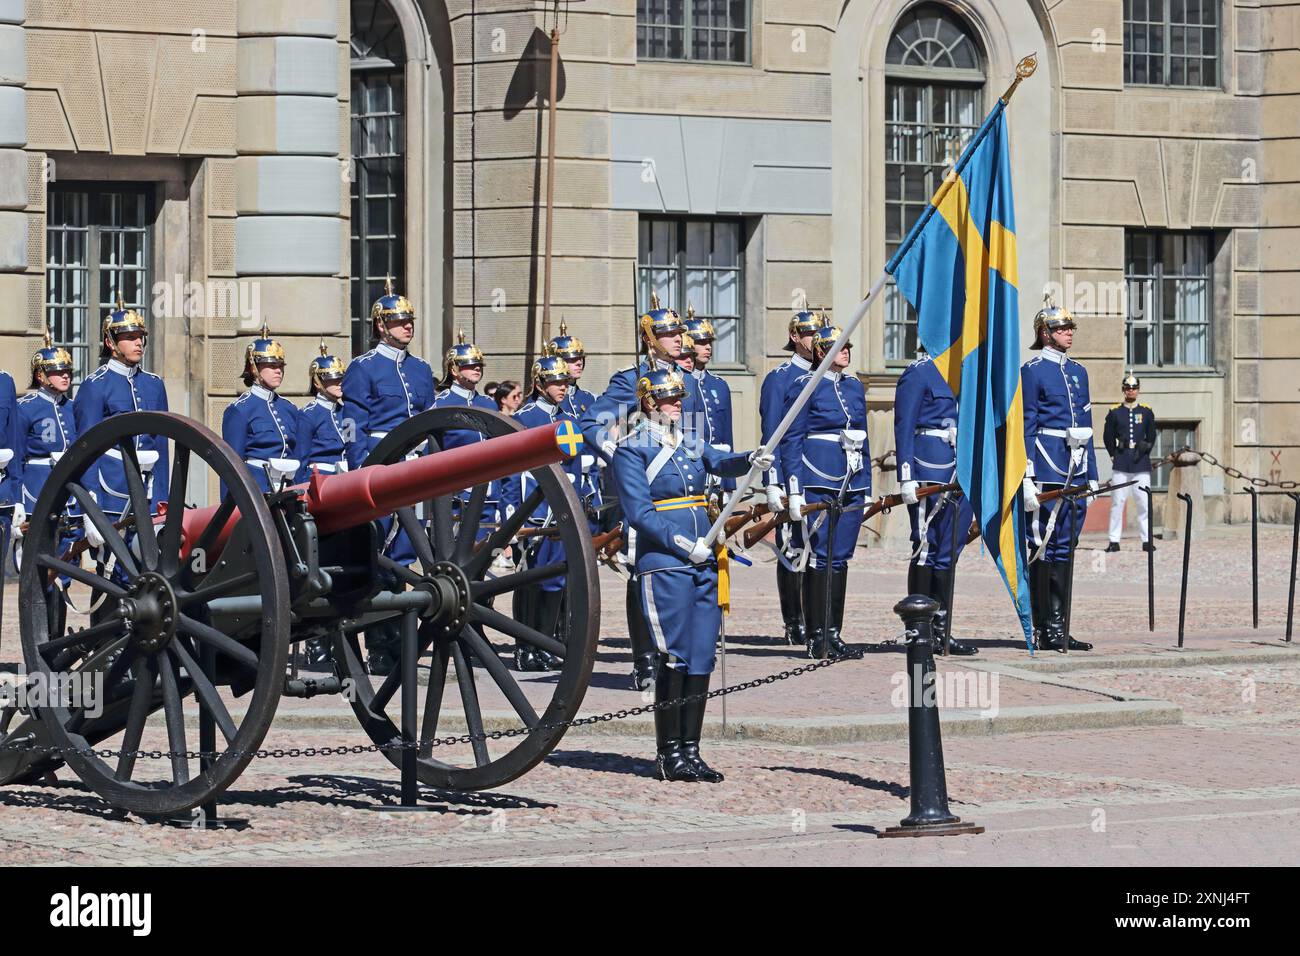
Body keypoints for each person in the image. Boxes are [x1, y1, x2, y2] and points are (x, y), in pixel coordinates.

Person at [611, 367, 771, 782]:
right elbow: (640, 514)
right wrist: (684, 544)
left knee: (702, 655)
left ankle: (692, 750)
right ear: (650, 403)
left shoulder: (690, 441)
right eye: (670, 399)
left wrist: (751, 459)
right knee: (675, 656)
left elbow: (721, 462)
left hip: (705, 561)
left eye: (680, 397)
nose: (679, 404)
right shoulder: (632, 449)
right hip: (666, 562)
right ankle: (669, 754)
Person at [580, 295, 704, 690]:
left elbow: (696, 430)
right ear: (650, 339)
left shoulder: (690, 379)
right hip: (647, 488)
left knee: (685, 567)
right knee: (643, 568)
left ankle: (679, 650)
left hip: (684, 487)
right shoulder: (630, 377)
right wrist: (622, 456)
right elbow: (592, 422)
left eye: (677, 333)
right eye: (667, 334)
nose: (676, 339)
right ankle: (645, 658)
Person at [341, 278, 436, 675]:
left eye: (410, 321)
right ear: (381, 326)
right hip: (382, 464)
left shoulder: (421, 369)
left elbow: (432, 422)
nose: (407, 327)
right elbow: (351, 423)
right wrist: (366, 467)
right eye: (398, 322)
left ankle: (398, 636)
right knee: (379, 554)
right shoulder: (363, 368)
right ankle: (379, 644)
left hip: (416, 466)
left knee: (404, 557)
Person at [779, 325, 869, 659]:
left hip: (851, 477)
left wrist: (867, 484)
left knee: (841, 557)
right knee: (819, 556)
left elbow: (863, 436)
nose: (845, 352)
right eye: (838, 347)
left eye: (848, 347)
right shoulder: (804, 386)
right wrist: (794, 488)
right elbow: (791, 438)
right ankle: (816, 635)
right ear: (821, 352)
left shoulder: (855, 387)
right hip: (818, 475)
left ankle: (834, 632)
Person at [1021, 294, 1095, 653]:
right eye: (1062, 328)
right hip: (1046, 467)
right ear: (1045, 333)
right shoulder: (1032, 372)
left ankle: (1060, 626)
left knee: (1066, 548)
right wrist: (1027, 476)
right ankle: (1042, 626)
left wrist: (1092, 473)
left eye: (1069, 327)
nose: (1068, 333)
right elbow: (1026, 425)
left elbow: (1087, 424)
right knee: (1043, 547)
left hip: (1075, 470)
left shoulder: (1079, 372)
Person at [893, 345, 978, 655]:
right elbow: (904, 425)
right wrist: (907, 473)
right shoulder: (919, 373)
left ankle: (942, 629)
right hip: (929, 468)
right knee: (926, 547)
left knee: (949, 549)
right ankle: (918, 628)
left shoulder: (964, 374)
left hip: (960, 470)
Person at [74, 294, 170, 554]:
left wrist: (163, 497)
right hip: (111, 486)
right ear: (111, 342)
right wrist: (90, 505)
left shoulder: (154, 384)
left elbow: (161, 445)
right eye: (129, 337)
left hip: (149, 488)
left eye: (140, 336)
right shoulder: (95, 385)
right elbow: (86, 448)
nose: (138, 342)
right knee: (114, 569)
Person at [505, 352, 581, 672]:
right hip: (535, 510)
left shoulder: (568, 419)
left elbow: (576, 468)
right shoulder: (525, 418)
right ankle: (525, 648)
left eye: (565, 381)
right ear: (539, 384)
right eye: (555, 382)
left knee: (554, 579)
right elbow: (511, 469)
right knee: (530, 579)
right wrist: (514, 512)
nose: (562, 387)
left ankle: (544, 644)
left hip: (560, 508)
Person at [759, 309, 827, 649]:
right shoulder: (781, 378)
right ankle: (794, 621)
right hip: (791, 473)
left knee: (820, 549)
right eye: (810, 334)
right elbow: (772, 435)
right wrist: (774, 481)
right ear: (796, 338)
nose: (816, 340)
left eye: (820, 333)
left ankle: (819, 620)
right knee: (792, 548)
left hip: (822, 475)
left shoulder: (829, 376)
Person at [432, 330, 505, 542]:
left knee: (484, 544)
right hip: (458, 487)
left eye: (479, 365)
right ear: (454, 369)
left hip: (489, 485)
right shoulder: (442, 403)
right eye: (469, 364)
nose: (476, 368)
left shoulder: (488, 403)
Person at [17, 336, 78, 566]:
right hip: (36, 487)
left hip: (69, 489)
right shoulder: (25, 407)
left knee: (69, 551)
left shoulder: (74, 408)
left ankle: (62, 596)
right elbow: (17, 456)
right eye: (57, 371)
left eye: (68, 371)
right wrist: (17, 500)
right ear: (40, 375)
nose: (65, 375)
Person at [221, 326, 301, 494]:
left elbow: (297, 456)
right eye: (271, 365)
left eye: (280, 365)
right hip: (257, 490)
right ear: (253, 367)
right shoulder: (240, 410)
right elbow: (231, 466)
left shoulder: (289, 408)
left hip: (289, 489)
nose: (278, 370)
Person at [682, 310, 735, 507]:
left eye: (709, 342)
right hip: (693, 468)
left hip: (718, 471)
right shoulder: (679, 384)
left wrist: (729, 484)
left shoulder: (719, 385)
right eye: (701, 342)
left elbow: (727, 437)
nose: (708, 347)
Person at [1104, 372, 1157, 553]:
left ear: (1138, 390)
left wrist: (1145, 450)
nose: (1131, 391)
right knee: (1118, 502)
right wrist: (1113, 454)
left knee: (1143, 502)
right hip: (1121, 461)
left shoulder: (1146, 412)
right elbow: (1108, 436)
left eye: (1134, 388)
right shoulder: (1115, 412)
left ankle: (1147, 540)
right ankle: (1113, 540)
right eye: (1127, 388)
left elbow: (1151, 435)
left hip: (1140, 462)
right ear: (1123, 390)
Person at [295, 342, 349, 482]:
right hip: (320, 480)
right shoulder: (308, 415)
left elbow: (352, 445)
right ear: (317, 382)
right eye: (333, 379)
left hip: (348, 479)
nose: (339, 383)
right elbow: (301, 458)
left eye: (341, 378)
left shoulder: (348, 412)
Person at [550, 319, 596, 419]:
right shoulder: (547, 400)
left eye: (580, 358)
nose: (579, 363)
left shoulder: (589, 398)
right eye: (573, 359)